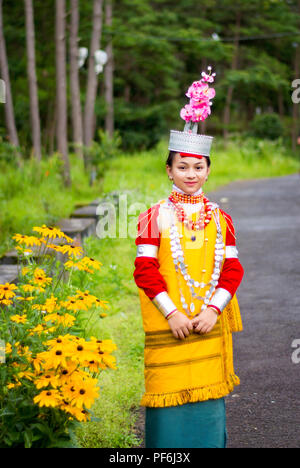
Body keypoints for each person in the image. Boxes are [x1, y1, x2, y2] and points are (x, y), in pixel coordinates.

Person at [133, 69, 244, 448]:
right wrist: (172, 313)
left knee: (208, 415)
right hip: (172, 327)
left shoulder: (221, 218)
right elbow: (145, 271)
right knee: (168, 426)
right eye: (182, 167)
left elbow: (232, 269)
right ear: (169, 171)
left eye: (198, 167)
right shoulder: (153, 216)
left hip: (207, 326)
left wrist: (213, 310)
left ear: (209, 170)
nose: (191, 174)